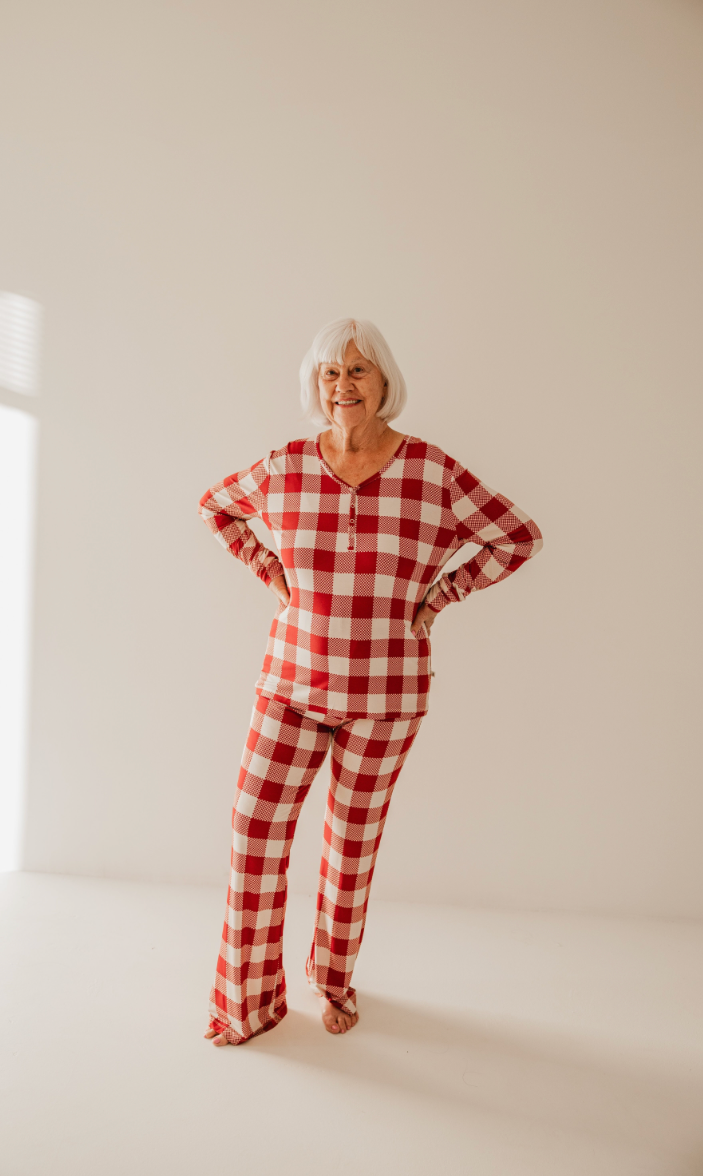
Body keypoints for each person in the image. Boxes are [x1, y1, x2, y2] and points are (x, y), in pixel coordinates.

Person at [199, 318, 543, 1046]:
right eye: (330, 373)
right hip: (290, 684)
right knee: (253, 832)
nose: (343, 386)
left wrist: (440, 596)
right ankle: (248, 1000)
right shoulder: (286, 464)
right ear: (314, 385)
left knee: (350, 848)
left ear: (385, 382)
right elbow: (217, 508)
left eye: (358, 371)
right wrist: (276, 577)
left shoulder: (433, 472)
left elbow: (520, 535)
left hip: (386, 699)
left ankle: (333, 982)